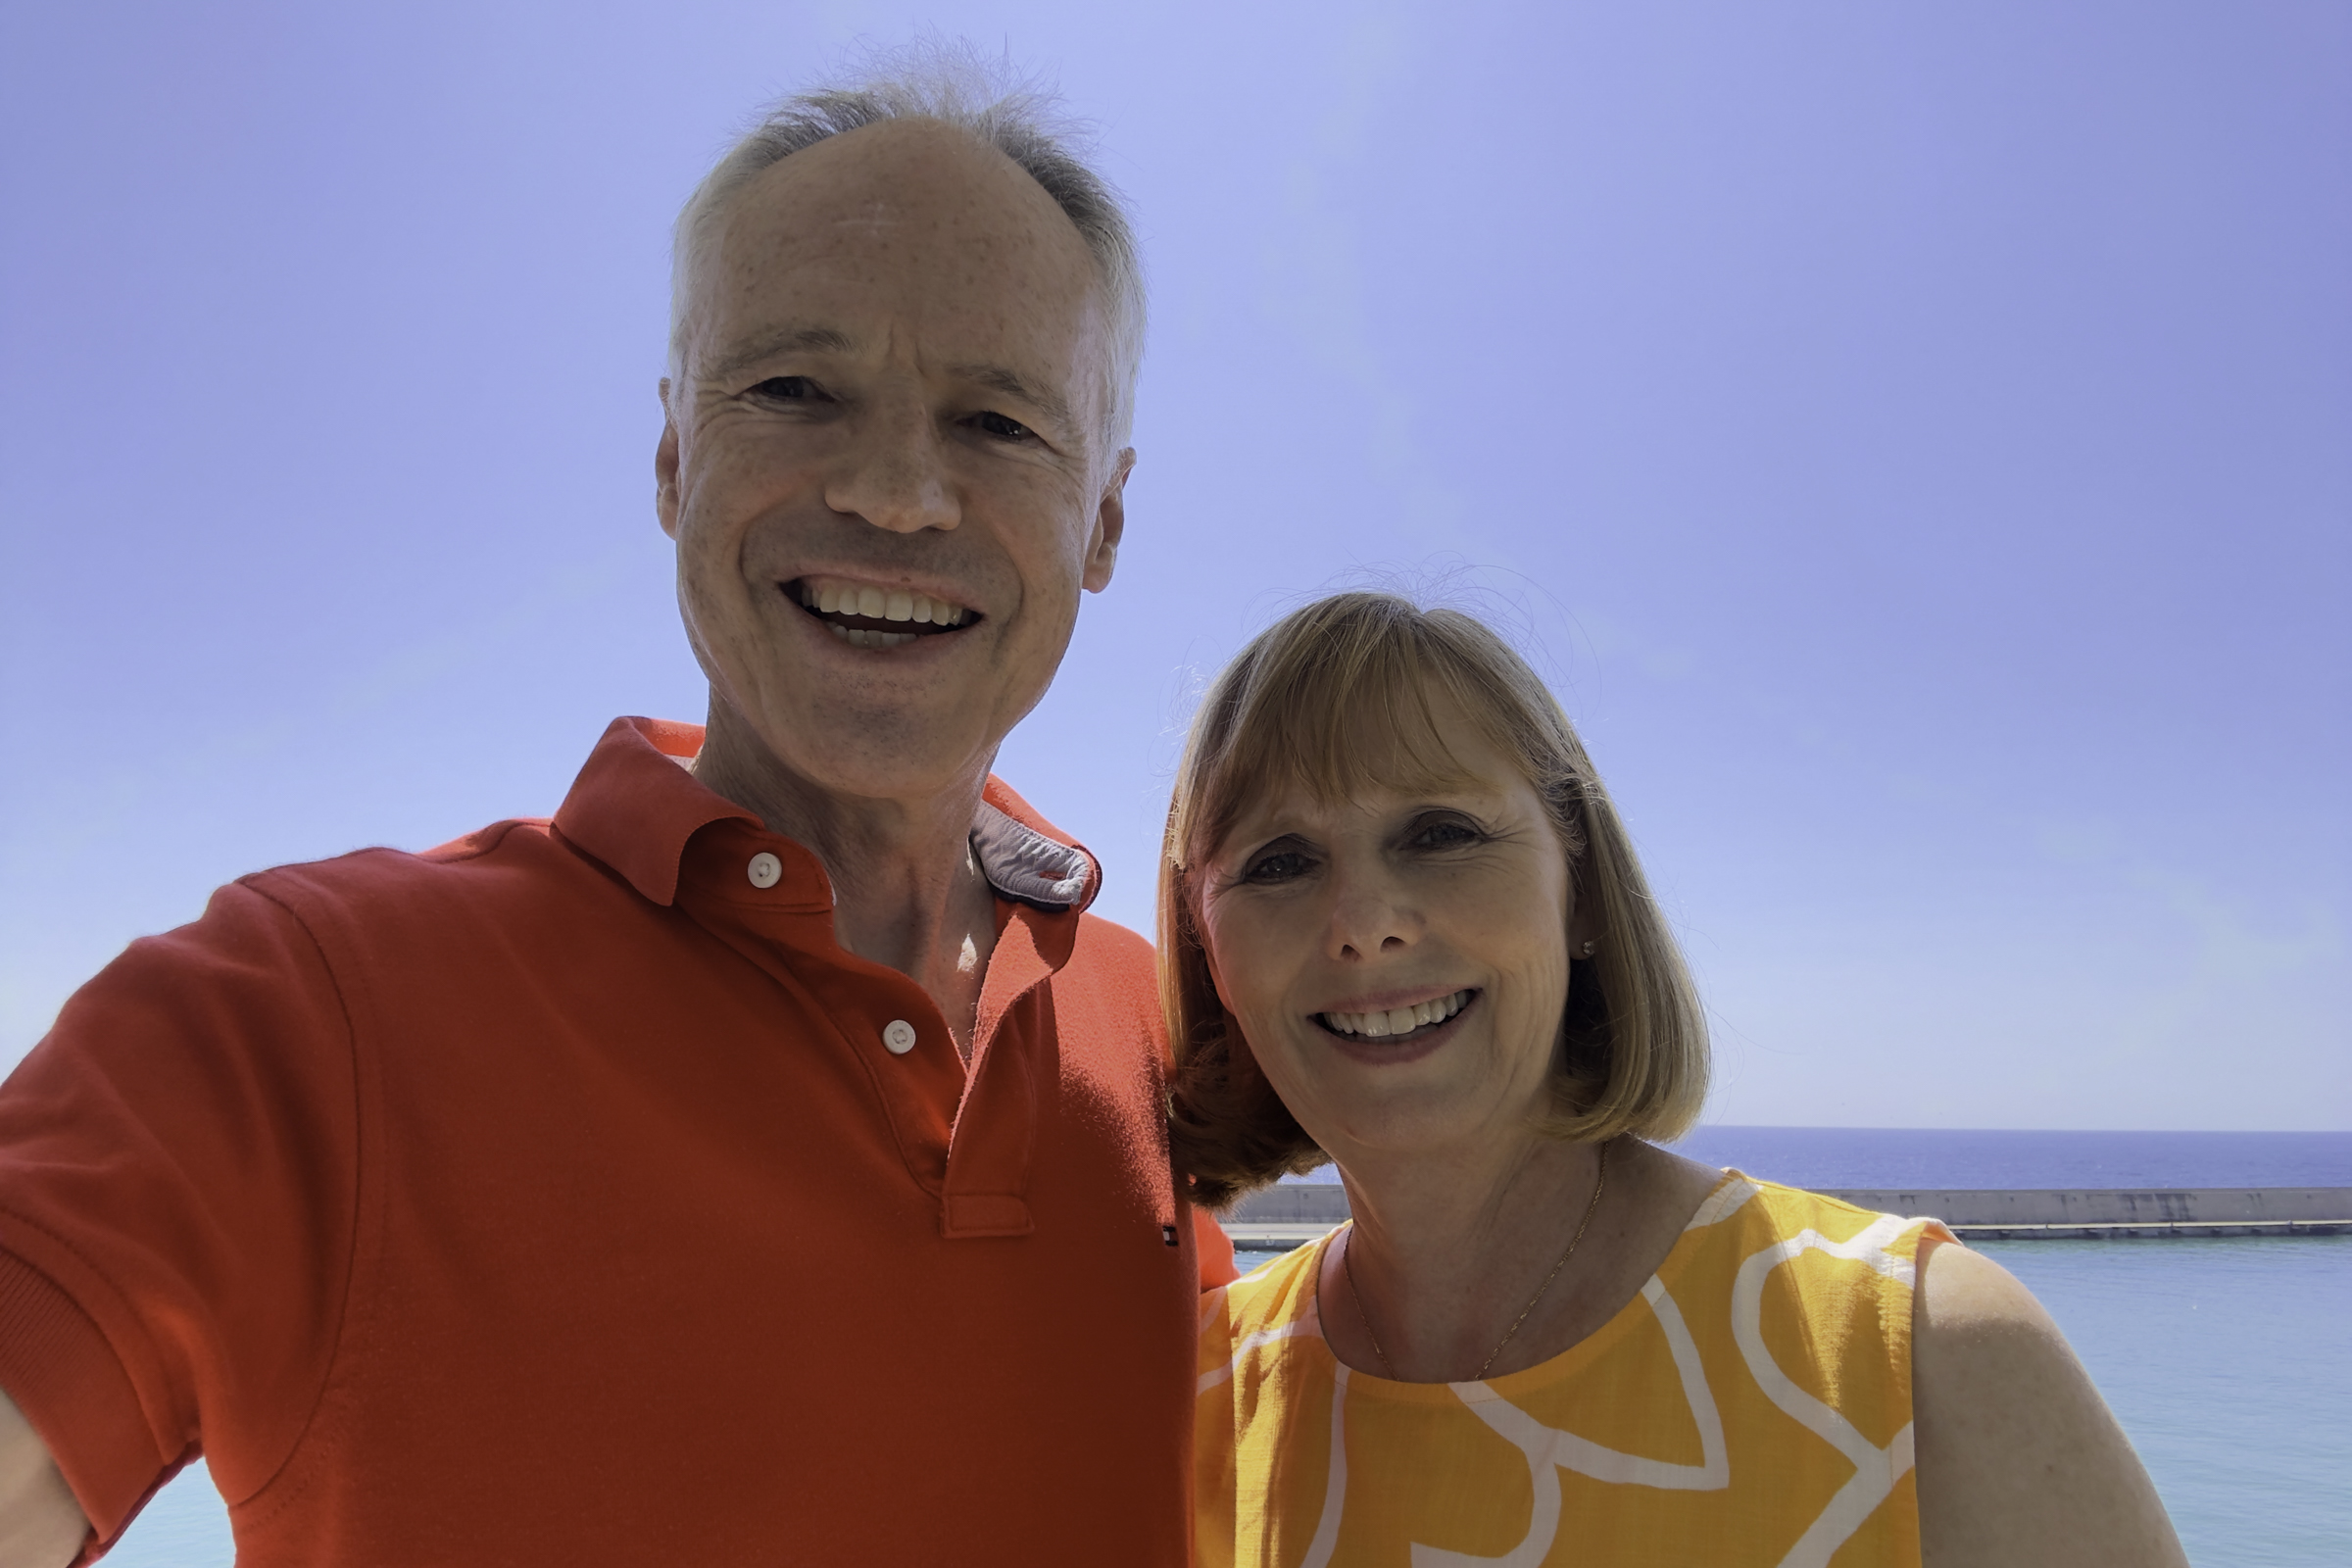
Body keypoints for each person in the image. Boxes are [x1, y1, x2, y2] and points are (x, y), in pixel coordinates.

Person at [0, 53, 1234, 1567]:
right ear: (672, 458)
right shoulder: (295, 1015)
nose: (899, 493)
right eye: (794, 388)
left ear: (1101, 519)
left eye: (998, 423)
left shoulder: (1179, 1037)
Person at [1164, 593, 2186, 1567]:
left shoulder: (1918, 1359)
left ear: (1581, 896)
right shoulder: (1194, 1398)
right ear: (1211, 950)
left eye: (1441, 833)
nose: (1364, 920)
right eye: (1280, 861)